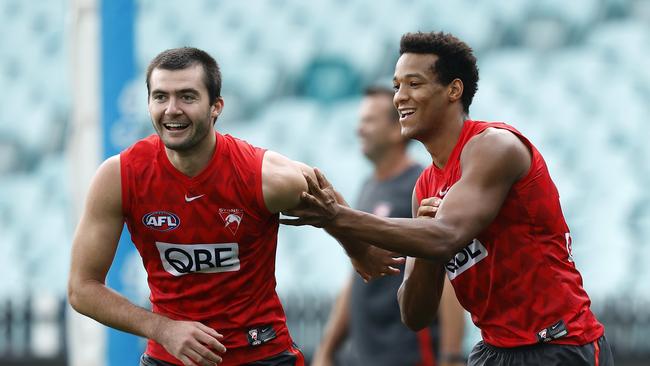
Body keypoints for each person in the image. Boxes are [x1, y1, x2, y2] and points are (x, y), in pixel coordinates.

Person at [281, 32, 614, 366]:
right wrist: (423, 248)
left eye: (414, 83)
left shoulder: (494, 147)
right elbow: (415, 315)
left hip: (559, 345)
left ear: (454, 90)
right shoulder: (424, 188)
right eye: (397, 86)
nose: (399, 97)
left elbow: (446, 237)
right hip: (495, 350)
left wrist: (338, 217)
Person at [67, 47, 401, 366]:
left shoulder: (264, 176)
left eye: (187, 96)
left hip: (262, 355)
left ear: (216, 107)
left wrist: (357, 249)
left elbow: (320, 191)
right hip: (171, 357)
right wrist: (162, 329)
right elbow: (82, 289)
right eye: (160, 97)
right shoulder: (120, 176)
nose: (172, 109)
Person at [311, 86, 466, 366]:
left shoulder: (420, 184)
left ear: (397, 131)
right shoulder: (368, 187)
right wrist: (327, 348)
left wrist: (451, 356)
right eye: (360, 121)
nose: (360, 129)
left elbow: (448, 273)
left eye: (369, 121)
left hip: (411, 355)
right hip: (366, 356)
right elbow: (359, 270)